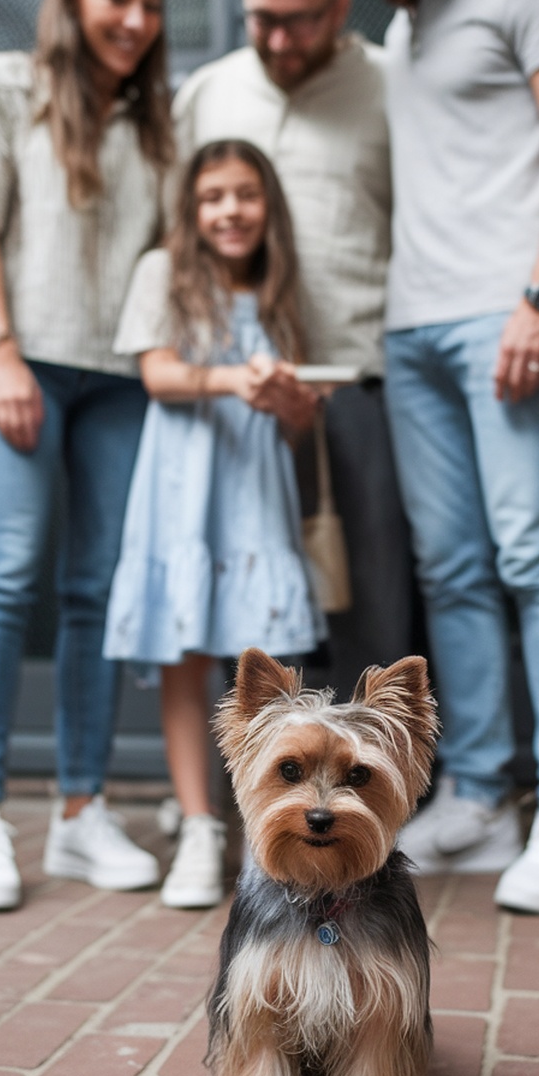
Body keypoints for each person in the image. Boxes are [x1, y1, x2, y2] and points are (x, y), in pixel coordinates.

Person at [306, 0, 539, 914]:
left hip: (507, 310)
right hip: (415, 326)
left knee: (535, 548)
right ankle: (483, 797)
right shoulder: (402, 29)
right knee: (453, 574)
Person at [0, 0, 172, 911]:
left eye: (152, 3)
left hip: (118, 377)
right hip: (19, 359)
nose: (137, 20)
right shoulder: (2, 84)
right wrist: (1, 353)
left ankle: (80, 814)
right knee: (5, 569)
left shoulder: (159, 122)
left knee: (94, 588)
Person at [172, 0, 413, 698]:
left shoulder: (389, 84)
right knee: (250, 611)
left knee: (372, 601)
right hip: (235, 398)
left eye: (299, 21)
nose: (277, 41)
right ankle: (256, 810)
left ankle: (379, 811)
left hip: (356, 385)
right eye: (261, 19)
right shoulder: (206, 93)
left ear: (341, 4)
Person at [103, 139, 323, 908]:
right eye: (213, 197)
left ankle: (265, 826)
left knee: (264, 659)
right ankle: (198, 824)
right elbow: (159, 374)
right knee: (187, 652)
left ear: (269, 208)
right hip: (183, 484)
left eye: (245, 195)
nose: (230, 211)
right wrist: (239, 379)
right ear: (192, 211)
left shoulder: (282, 288)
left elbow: (298, 423)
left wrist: (291, 403)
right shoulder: (162, 272)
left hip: (255, 488)